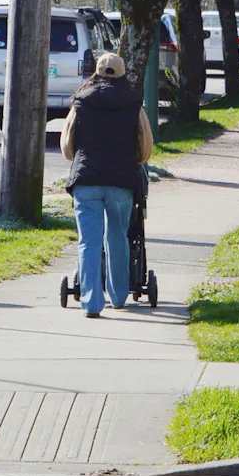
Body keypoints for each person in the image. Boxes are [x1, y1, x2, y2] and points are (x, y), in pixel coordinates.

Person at [62, 52, 153, 317]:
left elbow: (68, 144)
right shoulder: (134, 104)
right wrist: (134, 161)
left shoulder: (80, 102)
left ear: (97, 72)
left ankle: (91, 302)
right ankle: (118, 296)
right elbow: (144, 146)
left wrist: (78, 159)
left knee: (88, 241)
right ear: (123, 73)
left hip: (86, 181)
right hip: (120, 181)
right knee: (117, 237)